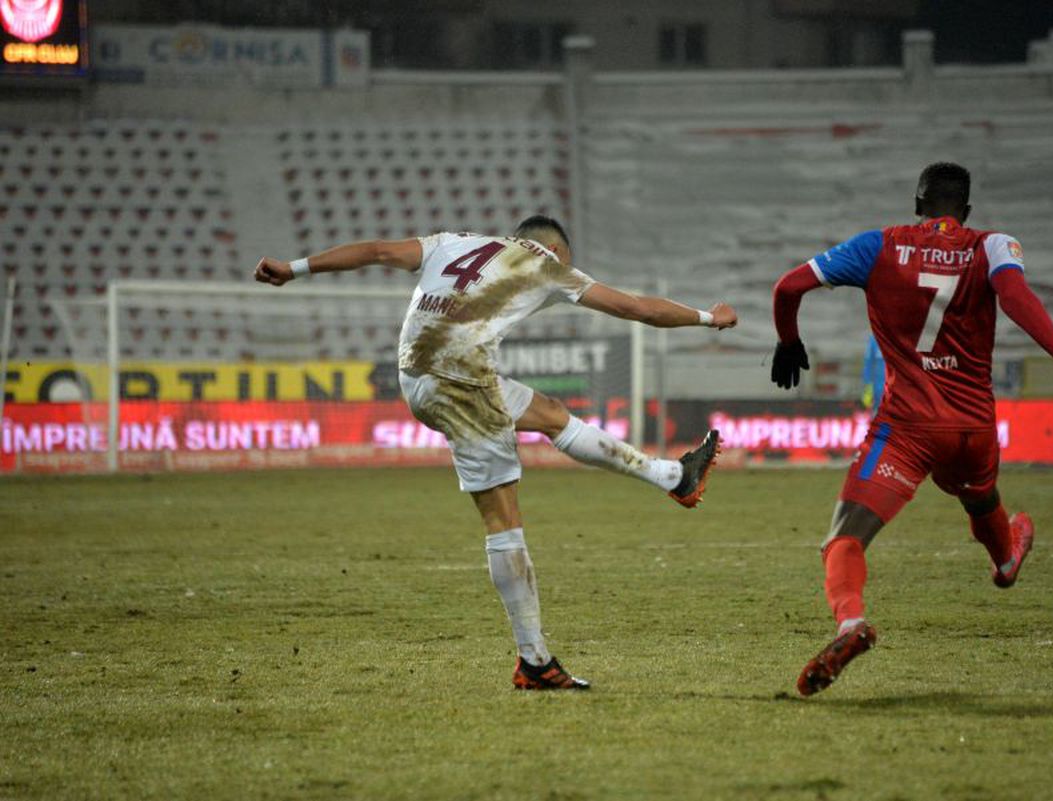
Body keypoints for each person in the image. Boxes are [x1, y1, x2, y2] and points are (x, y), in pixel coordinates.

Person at [255, 215, 737, 691]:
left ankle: (672, 476)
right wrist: (707, 317)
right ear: (557, 249)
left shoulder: (452, 242)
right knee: (502, 519)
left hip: (416, 375)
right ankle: (534, 662)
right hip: (460, 382)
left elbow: (378, 251)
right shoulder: (549, 263)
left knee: (549, 414)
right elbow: (638, 309)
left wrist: (294, 268)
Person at [770, 163, 1053, 697]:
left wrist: (789, 341)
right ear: (968, 211)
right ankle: (1005, 559)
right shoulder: (993, 245)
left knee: (844, 538)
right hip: (974, 427)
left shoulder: (877, 246)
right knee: (982, 501)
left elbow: (788, 286)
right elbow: (1017, 299)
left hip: (907, 428)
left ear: (917, 204)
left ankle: (851, 625)